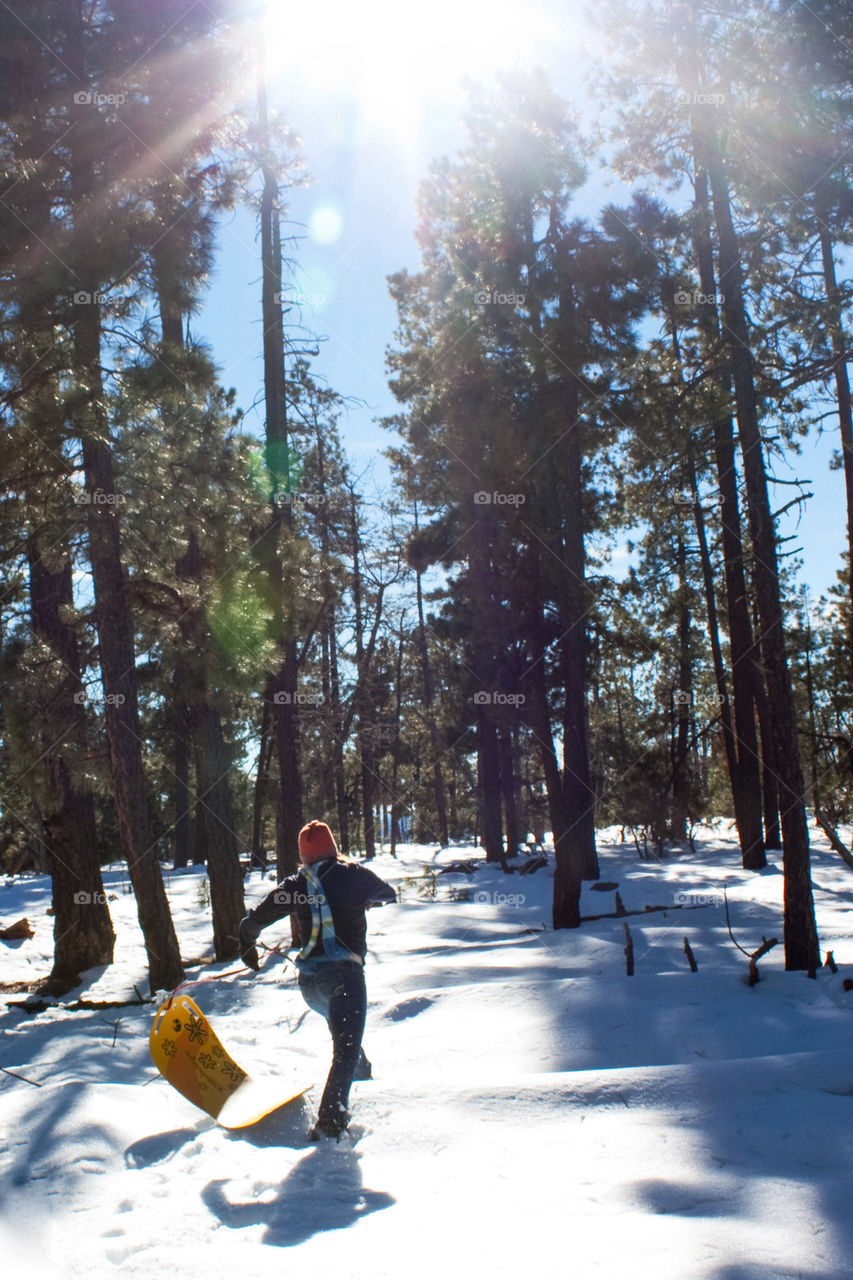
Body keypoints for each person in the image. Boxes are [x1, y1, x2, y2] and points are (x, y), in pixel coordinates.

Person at [238, 820, 396, 1139]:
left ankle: (362, 1073)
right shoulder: (353, 875)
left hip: (311, 986)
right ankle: (329, 1127)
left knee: (345, 1036)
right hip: (344, 979)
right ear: (333, 849)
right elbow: (389, 894)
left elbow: (254, 922)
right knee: (345, 1050)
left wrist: (247, 944)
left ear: (304, 857)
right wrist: (366, 900)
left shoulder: (296, 885)